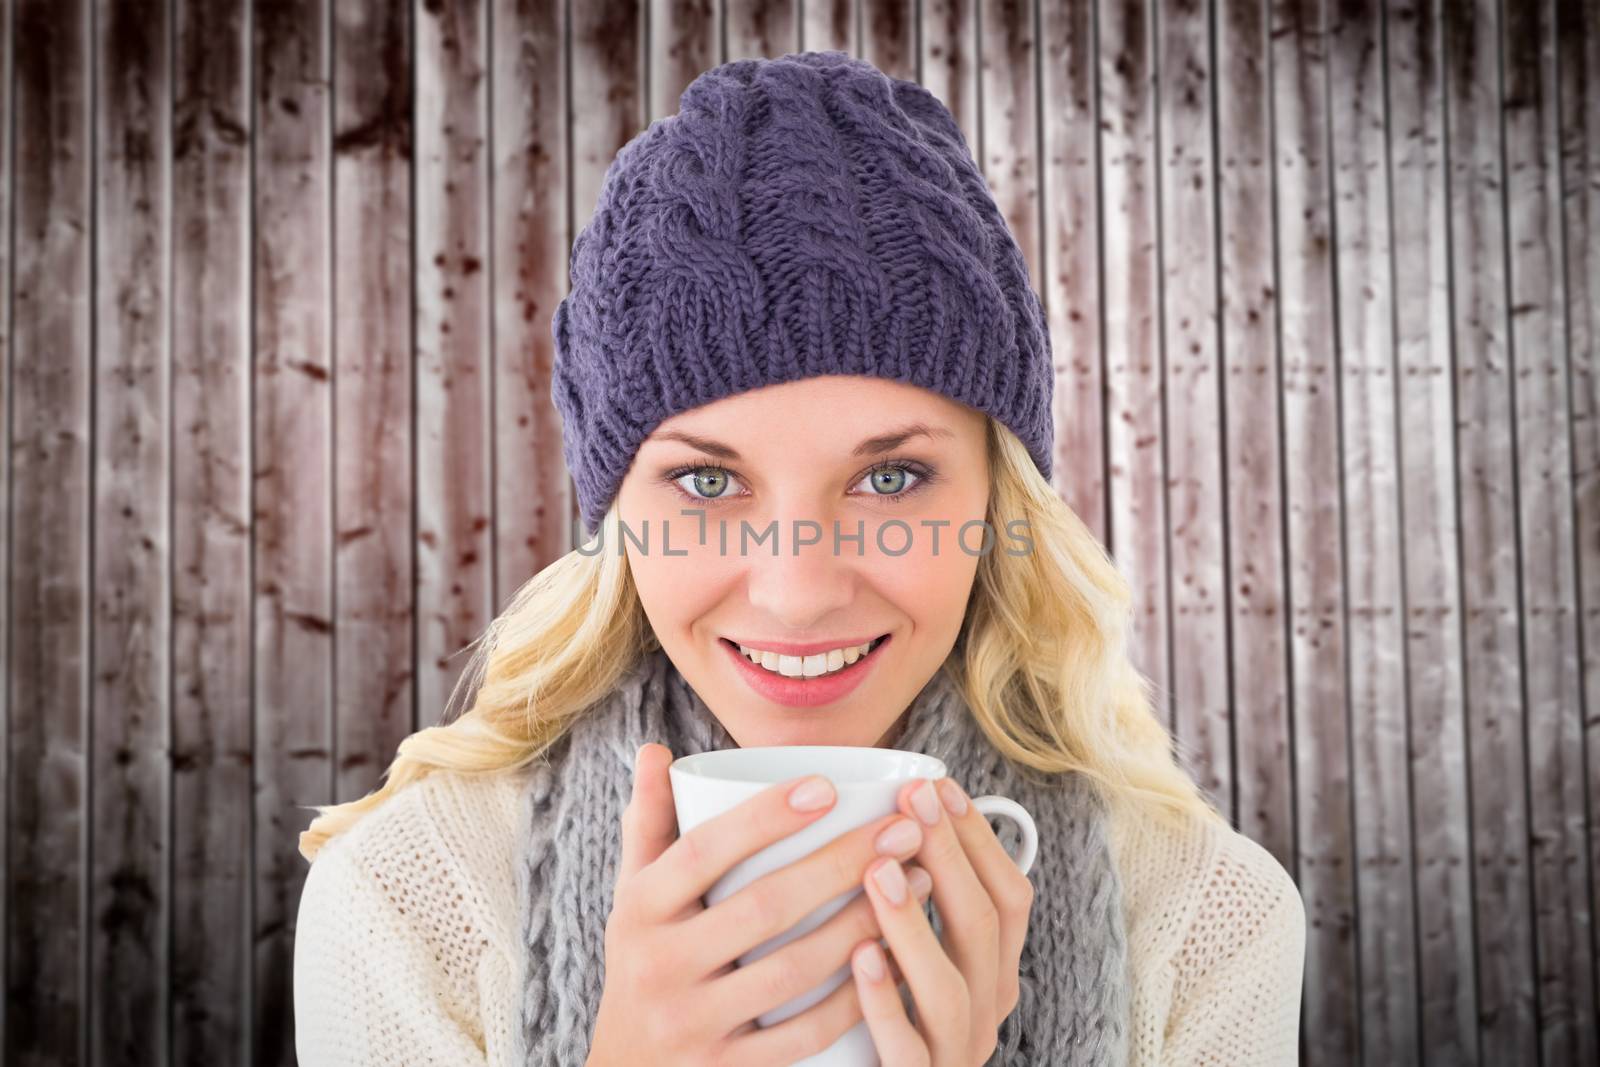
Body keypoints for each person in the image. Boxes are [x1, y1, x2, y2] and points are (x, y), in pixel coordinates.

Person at [292, 49, 1306, 1066]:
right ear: (617, 518)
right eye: (705, 481)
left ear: (1000, 500)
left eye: (893, 478)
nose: (798, 590)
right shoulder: (414, 898)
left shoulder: (1205, 917)